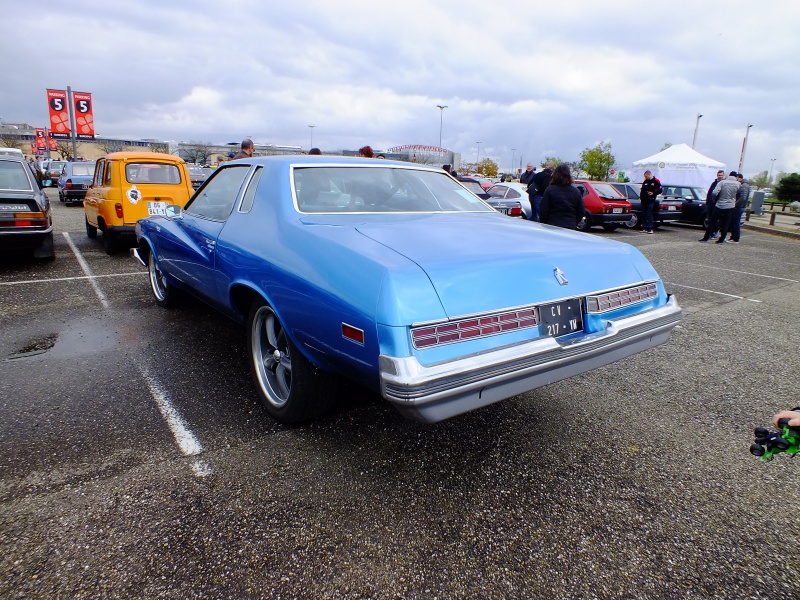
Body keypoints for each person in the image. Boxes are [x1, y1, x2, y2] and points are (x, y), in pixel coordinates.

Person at [539, 164, 585, 230]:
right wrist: (574, 222)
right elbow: (581, 211)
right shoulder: (576, 191)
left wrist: (544, 223)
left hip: (552, 224)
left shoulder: (550, 190)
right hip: (570, 225)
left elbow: (543, 210)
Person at [700, 171, 739, 243]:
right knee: (726, 224)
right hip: (730, 206)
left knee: (712, 221)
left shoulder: (722, 182)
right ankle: (721, 240)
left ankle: (706, 237)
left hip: (719, 205)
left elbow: (714, 192)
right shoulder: (738, 184)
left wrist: (715, 199)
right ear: (735, 177)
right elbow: (738, 194)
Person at [727, 173, 750, 243]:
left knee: (736, 222)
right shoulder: (742, 185)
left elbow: (743, 198)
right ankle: (733, 237)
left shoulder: (744, 186)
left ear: (739, 178)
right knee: (734, 222)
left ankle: (736, 238)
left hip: (739, 207)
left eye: (736, 178)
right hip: (739, 206)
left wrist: (735, 204)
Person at [705, 170, 725, 239]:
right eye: (719, 175)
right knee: (710, 219)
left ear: (723, 176)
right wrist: (708, 201)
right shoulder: (714, 183)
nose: (720, 176)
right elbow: (710, 193)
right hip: (711, 204)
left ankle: (715, 232)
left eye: (721, 175)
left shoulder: (723, 184)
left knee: (716, 219)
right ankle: (711, 233)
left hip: (718, 204)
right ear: (717, 175)